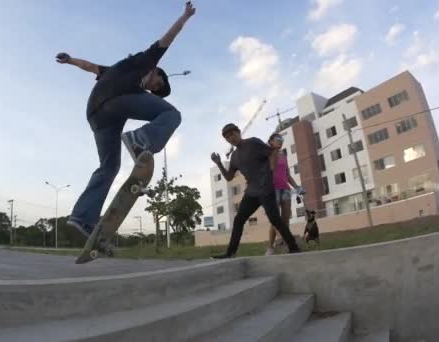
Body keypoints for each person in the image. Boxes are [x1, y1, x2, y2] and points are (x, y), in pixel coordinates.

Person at [55, 2, 196, 237]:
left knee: (109, 167)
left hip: (96, 115)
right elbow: (169, 37)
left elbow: (90, 67)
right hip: (118, 99)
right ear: (156, 71)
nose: (153, 88)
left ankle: (83, 217)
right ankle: (140, 139)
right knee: (172, 114)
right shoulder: (146, 61)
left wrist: (70, 60)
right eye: (157, 84)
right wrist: (185, 17)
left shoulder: (114, 68)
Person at [210, 124, 301, 259]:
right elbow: (229, 177)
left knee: (275, 219)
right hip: (252, 192)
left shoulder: (253, 142)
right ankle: (230, 252)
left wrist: (271, 169)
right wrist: (218, 163)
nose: (231, 139)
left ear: (239, 132)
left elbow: (271, 153)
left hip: (265, 189)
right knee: (239, 219)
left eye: (232, 135)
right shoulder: (234, 156)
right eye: (227, 138)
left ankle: (294, 248)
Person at [266, 133, 304, 256]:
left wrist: (297, 188)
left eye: (282, 140)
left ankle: (278, 244)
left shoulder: (283, 156)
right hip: (272, 189)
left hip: (285, 189)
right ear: (271, 141)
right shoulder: (266, 154)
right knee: (275, 219)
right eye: (278, 140)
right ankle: (278, 244)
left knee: (285, 219)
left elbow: (287, 174)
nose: (280, 142)